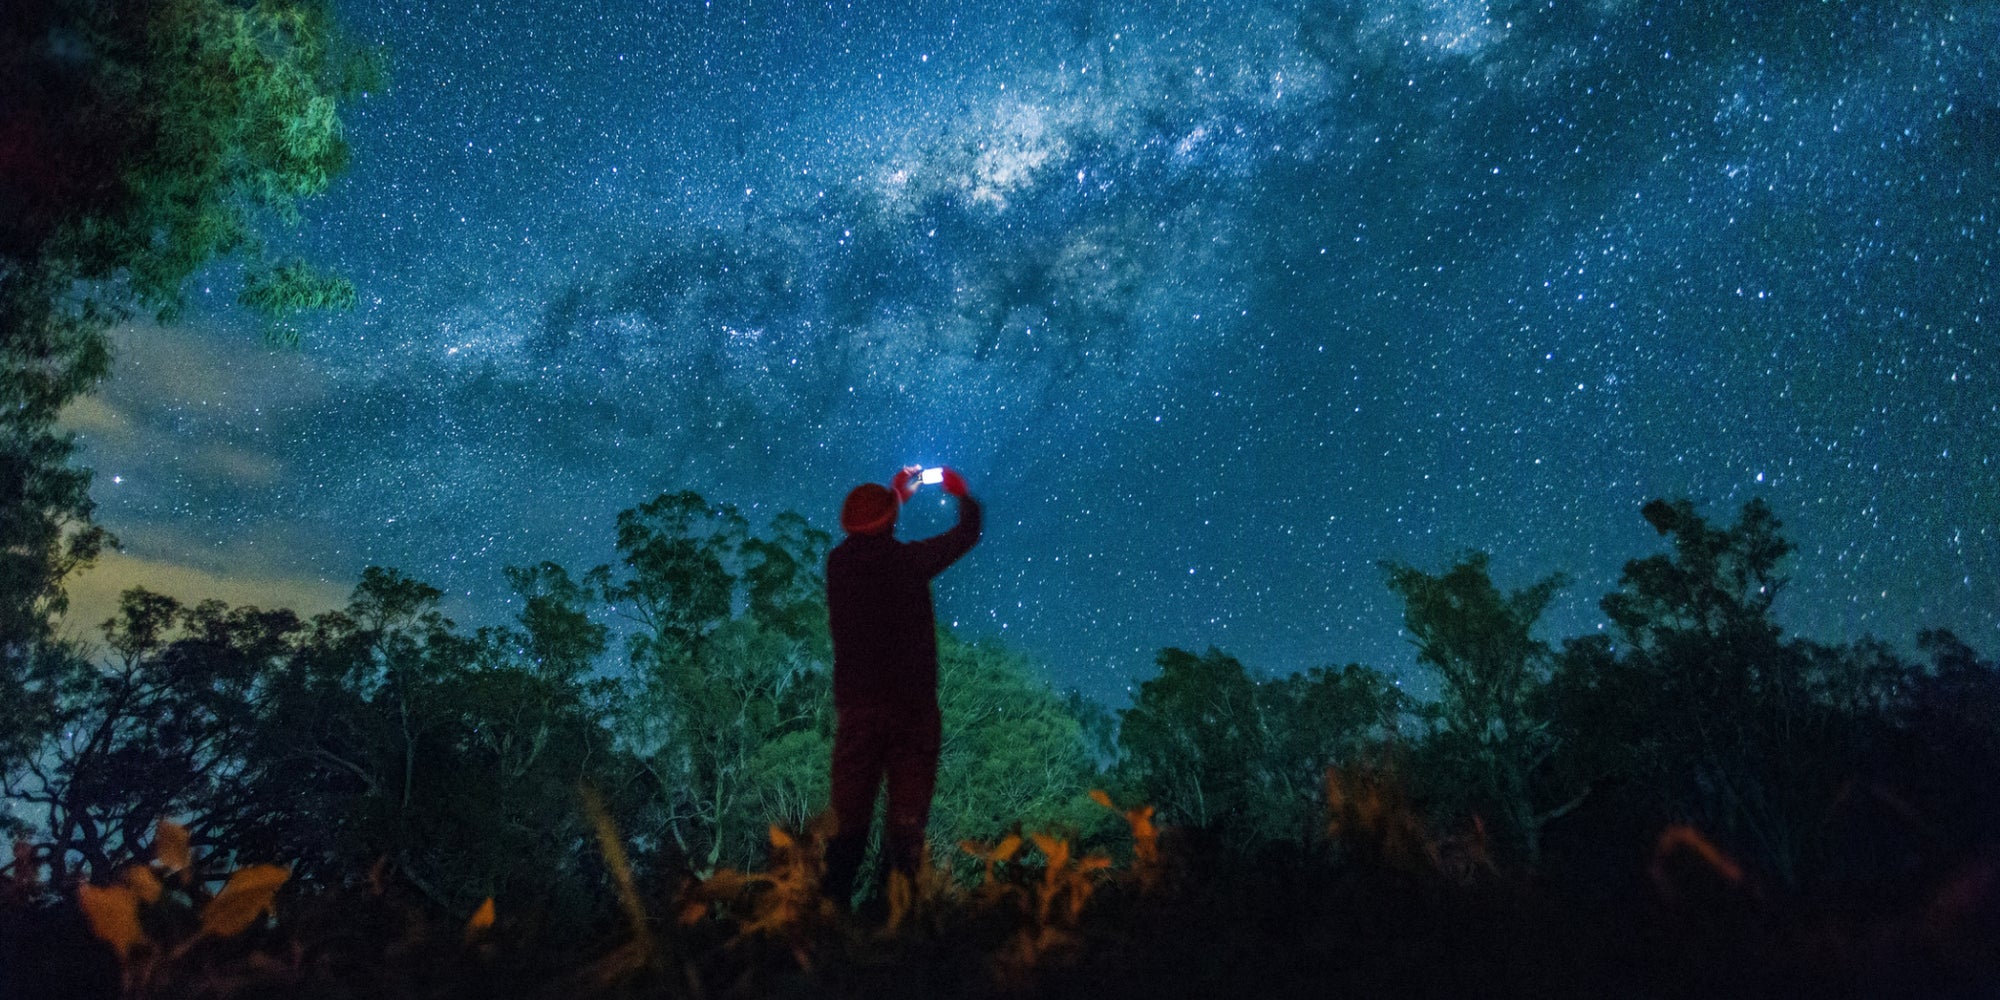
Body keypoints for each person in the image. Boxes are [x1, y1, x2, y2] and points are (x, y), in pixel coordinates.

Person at [821, 464, 982, 910]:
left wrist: (894, 498)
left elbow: (870, 537)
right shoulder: (910, 564)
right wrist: (959, 492)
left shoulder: (838, 566)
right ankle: (895, 926)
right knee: (905, 830)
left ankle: (825, 924)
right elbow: (967, 534)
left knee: (847, 827)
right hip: (912, 715)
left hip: (858, 714)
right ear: (890, 520)